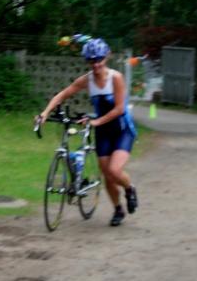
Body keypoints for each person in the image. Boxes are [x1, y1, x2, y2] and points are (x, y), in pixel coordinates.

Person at [37, 37, 138, 227]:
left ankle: (129, 188)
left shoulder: (115, 78)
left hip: (122, 130)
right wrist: (45, 113)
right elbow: (62, 94)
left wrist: (96, 121)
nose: (96, 64)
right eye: (91, 60)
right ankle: (118, 209)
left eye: (99, 59)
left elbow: (119, 109)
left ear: (106, 57)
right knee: (107, 174)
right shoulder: (87, 80)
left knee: (115, 170)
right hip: (103, 132)